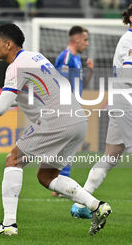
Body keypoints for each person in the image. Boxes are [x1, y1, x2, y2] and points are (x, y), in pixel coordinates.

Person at [0, 23, 112, 236]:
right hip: (78, 120)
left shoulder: (15, 67)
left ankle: (9, 225)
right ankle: (96, 206)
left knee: (13, 160)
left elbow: (0, 109)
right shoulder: (34, 57)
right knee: (47, 175)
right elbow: (10, 100)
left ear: (8, 44)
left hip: (56, 120)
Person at [70, 3, 132, 220]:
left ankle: (80, 203)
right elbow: (128, 76)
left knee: (110, 157)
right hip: (129, 106)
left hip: (119, 104)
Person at [52, 26, 94, 194]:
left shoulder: (76, 59)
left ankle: (59, 186)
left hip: (73, 107)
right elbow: (59, 84)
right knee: (65, 146)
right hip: (65, 108)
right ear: (76, 39)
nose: (87, 43)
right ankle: (57, 184)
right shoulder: (67, 57)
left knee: (68, 146)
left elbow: (82, 84)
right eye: (85, 39)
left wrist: (90, 70)